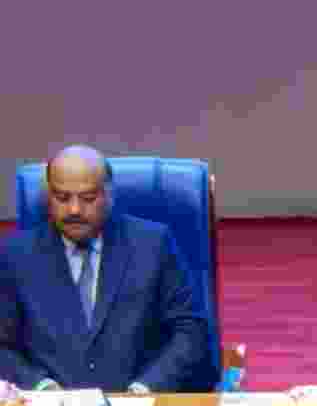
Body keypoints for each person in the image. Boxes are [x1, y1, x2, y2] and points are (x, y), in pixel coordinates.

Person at [0, 145, 211, 392]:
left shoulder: (153, 245)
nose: (74, 210)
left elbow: (190, 331)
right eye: (62, 198)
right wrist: (40, 386)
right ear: (48, 197)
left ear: (110, 195)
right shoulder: (15, 255)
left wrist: (148, 386)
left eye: (88, 198)